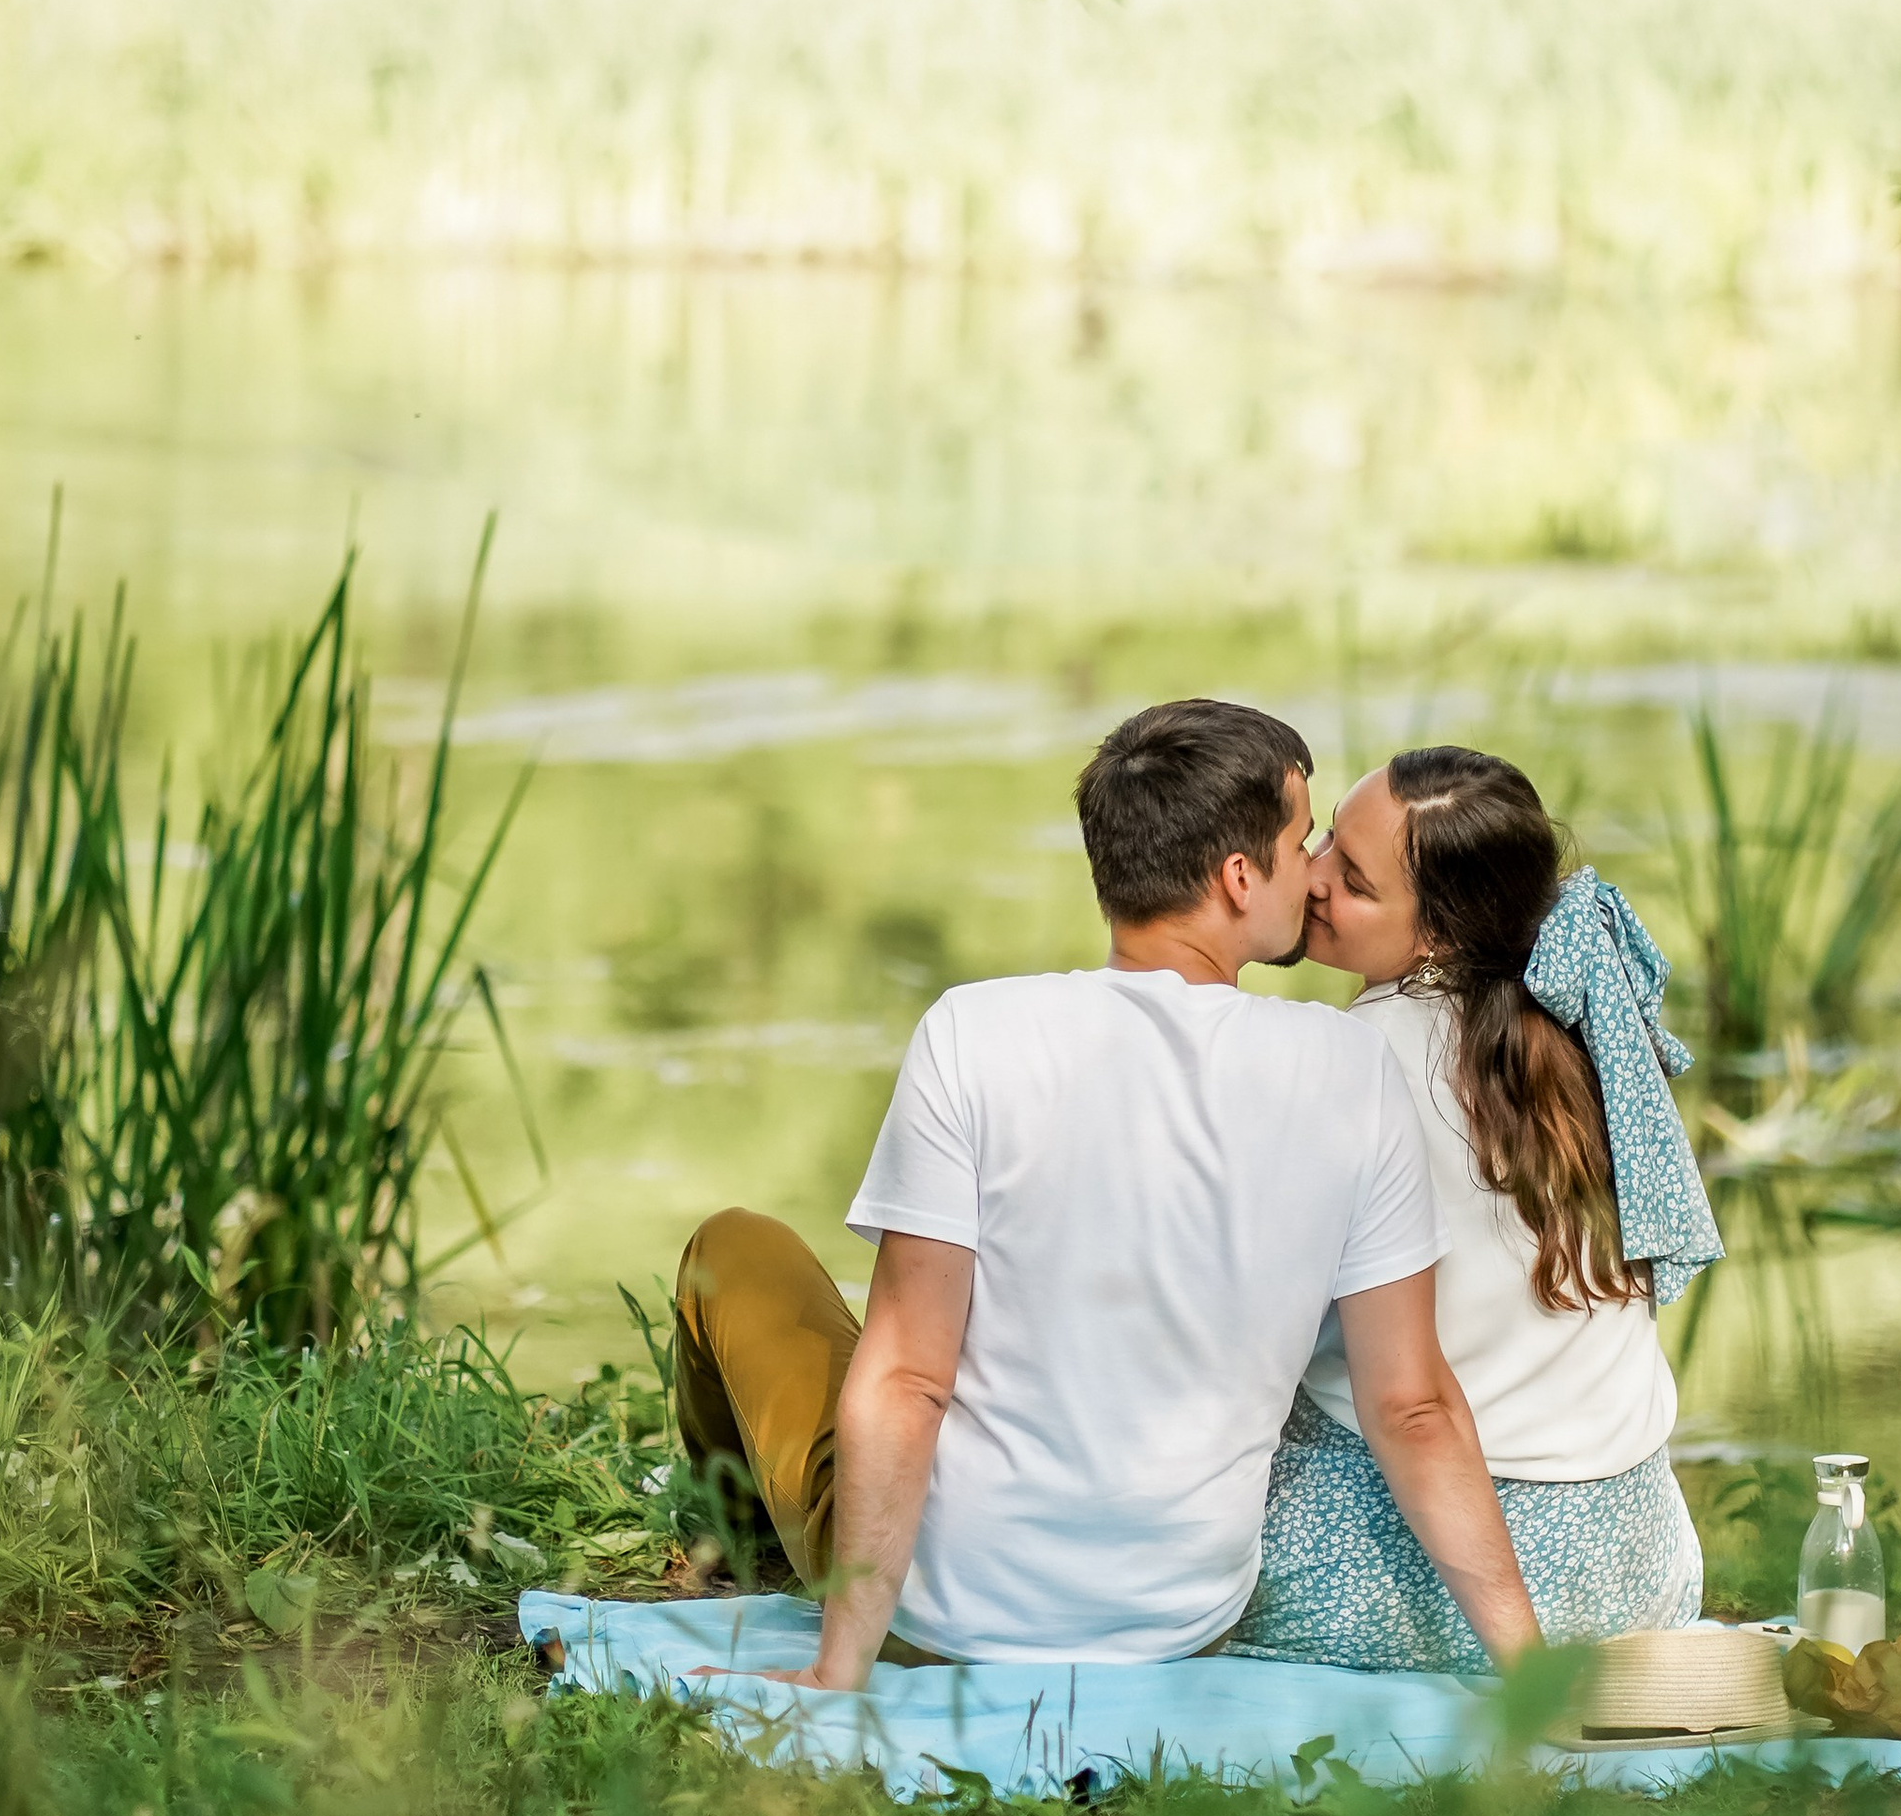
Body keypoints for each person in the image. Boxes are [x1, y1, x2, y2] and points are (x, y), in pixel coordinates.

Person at [671, 699, 1544, 1689]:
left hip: (948, 1613)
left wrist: (840, 1672)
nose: (1314, 875)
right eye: (1303, 843)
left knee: (733, 1248)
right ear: (1239, 877)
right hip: (1177, 1622)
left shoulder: (973, 1031)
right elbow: (1413, 1406)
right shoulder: (1350, 1069)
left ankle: (734, 1548)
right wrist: (1530, 1674)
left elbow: (910, 1379)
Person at [1230, 746, 1724, 1674]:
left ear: (1441, 937)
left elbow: (1301, 1355)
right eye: (1327, 838)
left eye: (1357, 881)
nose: (1316, 876)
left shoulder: (1355, 1057)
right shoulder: (1581, 1031)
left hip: (1434, 1589)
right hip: (1638, 1569)